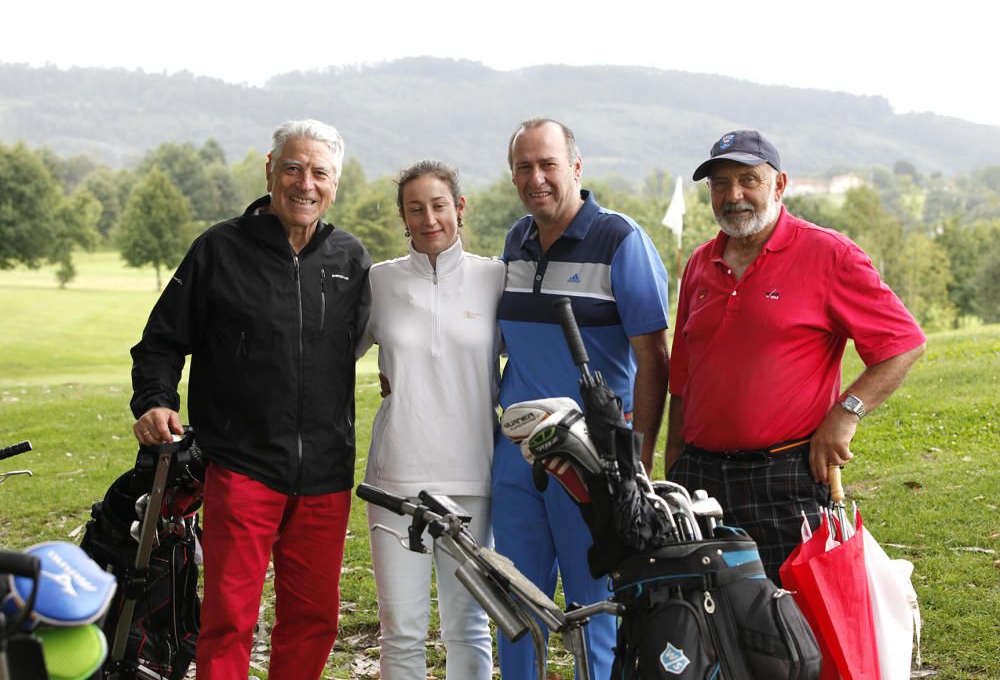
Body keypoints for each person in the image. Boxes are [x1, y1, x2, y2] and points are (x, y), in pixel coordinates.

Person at [129, 119, 371, 680]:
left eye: (319, 172)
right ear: (270, 169)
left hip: (326, 472)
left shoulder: (350, 260)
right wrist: (155, 400)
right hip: (241, 464)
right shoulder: (218, 250)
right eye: (293, 167)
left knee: (313, 618)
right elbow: (160, 343)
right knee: (228, 618)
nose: (304, 183)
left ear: (334, 184)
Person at [665, 129, 926, 581]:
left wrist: (846, 413)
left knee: (792, 627)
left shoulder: (829, 254)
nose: (734, 195)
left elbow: (902, 342)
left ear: (780, 185)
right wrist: (673, 466)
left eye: (749, 180)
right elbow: (683, 377)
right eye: (721, 184)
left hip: (784, 477)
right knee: (707, 623)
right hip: (700, 476)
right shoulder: (700, 263)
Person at [493, 117, 670, 678]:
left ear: (575, 167)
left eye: (548, 164)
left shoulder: (621, 239)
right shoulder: (515, 241)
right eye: (524, 167)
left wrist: (637, 459)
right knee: (516, 602)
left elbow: (653, 358)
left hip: (590, 456)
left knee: (594, 607)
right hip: (516, 456)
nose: (536, 177)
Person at [356, 160, 504, 680]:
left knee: (469, 627)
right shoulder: (378, 282)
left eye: (439, 205)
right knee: (401, 629)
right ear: (403, 217)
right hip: (396, 479)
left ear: (459, 208)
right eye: (415, 209)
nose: (429, 218)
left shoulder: (495, 278)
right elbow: (330, 358)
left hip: (473, 477)